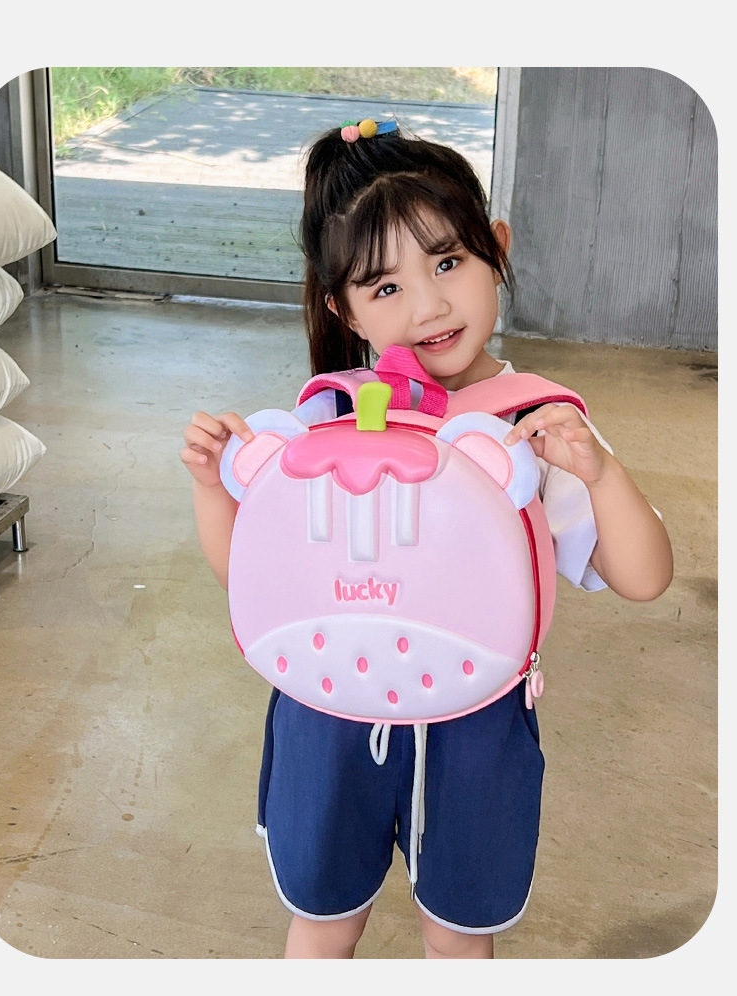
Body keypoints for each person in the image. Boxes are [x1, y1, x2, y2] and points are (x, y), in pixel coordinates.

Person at [180, 120, 673, 959]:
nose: (429, 305)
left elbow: (645, 576)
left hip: (473, 730)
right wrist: (209, 486)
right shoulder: (326, 417)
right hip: (328, 712)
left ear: (496, 249)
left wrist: (600, 475)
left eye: (447, 263)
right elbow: (257, 587)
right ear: (341, 306)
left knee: (456, 939)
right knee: (323, 922)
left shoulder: (535, 424)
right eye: (385, 286)